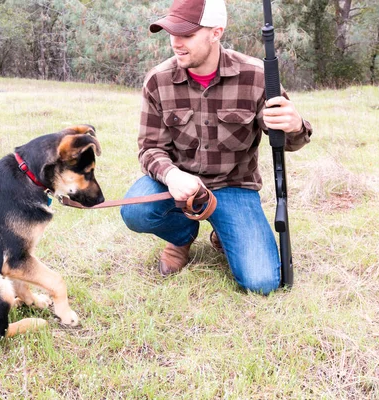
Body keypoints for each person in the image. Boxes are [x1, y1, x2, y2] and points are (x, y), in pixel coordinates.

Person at [120, 0, 312, 294]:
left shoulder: (257, 76)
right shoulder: (158, 80)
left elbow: (288, 141)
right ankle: (182, 235)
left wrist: (295, 125)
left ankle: (224, 232)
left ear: (216, 32)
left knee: (261, 282)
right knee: (135, 211)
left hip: (234, 186)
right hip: (179, 185)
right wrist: (172, 176)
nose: (176, 43)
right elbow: (149, 148)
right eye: (172, 33)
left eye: (187, 34)